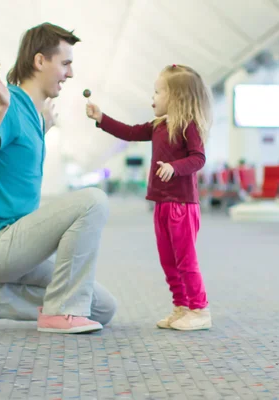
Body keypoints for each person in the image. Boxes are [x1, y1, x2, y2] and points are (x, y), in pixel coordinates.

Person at [0, 22, 117, 334]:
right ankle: (61, 312)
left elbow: (14, 158)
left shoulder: (31, 114)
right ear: (40, 61)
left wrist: (44, 127)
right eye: (65, 63)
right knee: (92, 201)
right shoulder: (8, 104)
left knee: (102, 307)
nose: (69, 74)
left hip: (17, 247)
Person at [85, 64, 212, 331]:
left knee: (185, 260)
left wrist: (174, 167)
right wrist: (101, 118)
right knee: (168, 260)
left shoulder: (188, 126)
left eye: (157, 92)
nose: (152, 98)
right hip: (163, 205)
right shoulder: (158, 126)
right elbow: (129, 132)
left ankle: (199, 309)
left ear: (176, 97)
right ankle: (181, 307)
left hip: (182, 205)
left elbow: (198, 158)